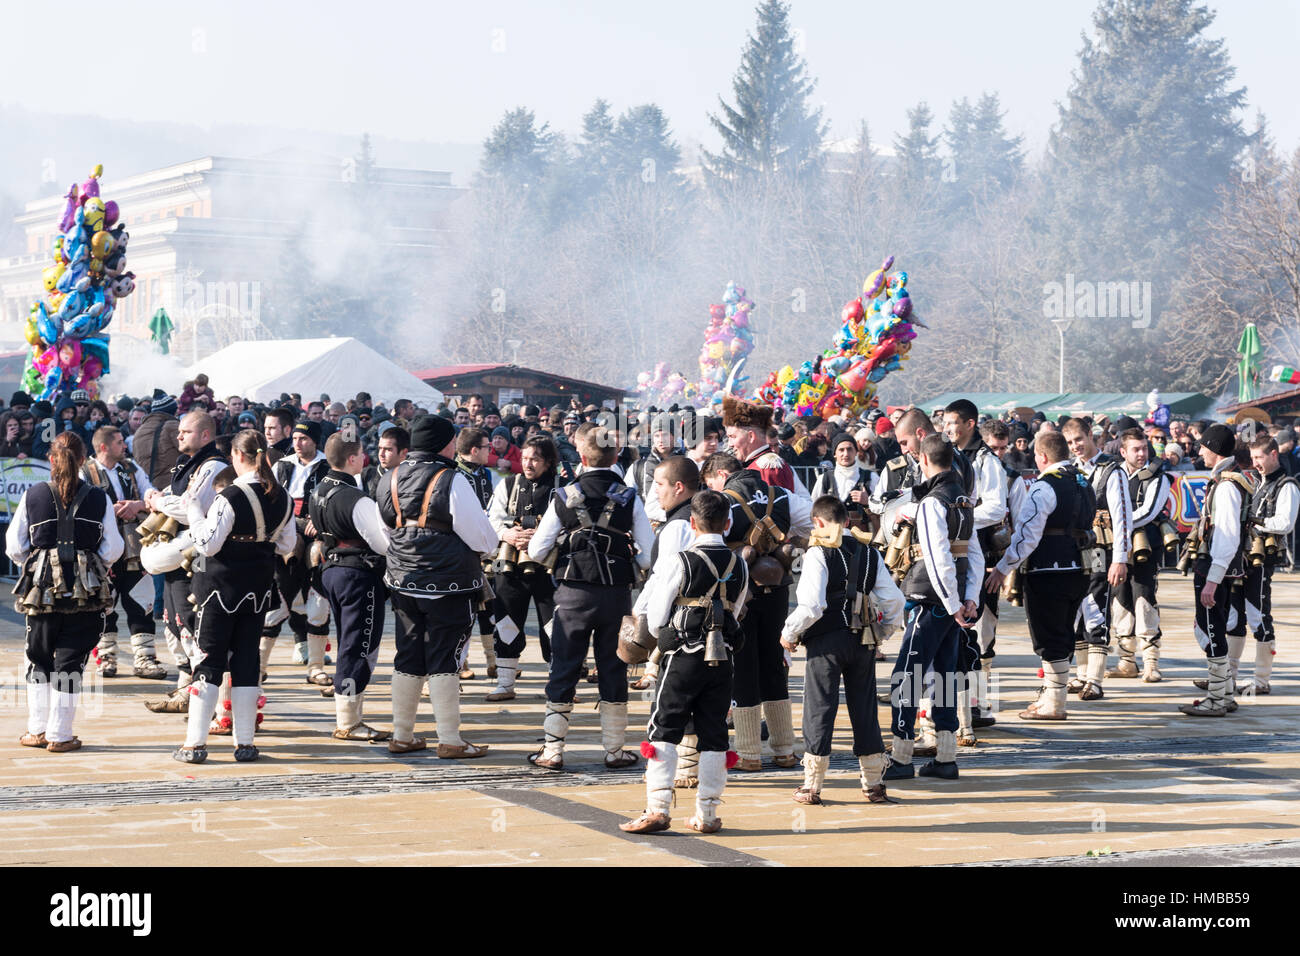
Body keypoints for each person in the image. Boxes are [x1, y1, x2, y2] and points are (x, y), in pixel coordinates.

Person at [620, 490, 749, 835]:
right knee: (714, 733)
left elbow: (659, 616)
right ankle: (707, 814)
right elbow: (735, 611)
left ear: (692, 522)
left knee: (664, 728)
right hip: (722, 657)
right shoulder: (741, 563)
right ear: (728, 524)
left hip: (682, 656)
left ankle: (658, 809)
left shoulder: (681, 560)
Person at [526, 425, 654, 770]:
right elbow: (647, 557)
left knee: (564, 667)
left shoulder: (563, 495)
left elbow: (537, 551)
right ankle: (614, 751)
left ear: (582, 457)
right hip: (615, 597)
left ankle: (552, 751)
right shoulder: (630, 497)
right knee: (614, 668)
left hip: (571, 595)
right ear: (615, 458)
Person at [377, 414, 498, 757]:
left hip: (402, 580)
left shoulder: (390, 476)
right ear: (445, 444)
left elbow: (386, 529)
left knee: (408, 654)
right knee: (446, 656)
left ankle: (402, 735)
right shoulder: (451, 479)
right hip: (449, 583)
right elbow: (483, 537)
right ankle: (450, 740)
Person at [174, 430, 296, 763]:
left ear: (237, 456)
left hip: (219, 590)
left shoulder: (229, 496)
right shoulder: (282, 496)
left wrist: (194, 511)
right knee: (246, 663)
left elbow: (207, 544)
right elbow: (286, 545)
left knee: (208, 662)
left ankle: (195, 744)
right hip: (257, 589)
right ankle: (245, 744)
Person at [781, 495, 904, 804]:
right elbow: (894, 603)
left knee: (820, 708)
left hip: (826, 641)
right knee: (865, 710)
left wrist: (789, 633)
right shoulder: (869, 553)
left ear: (817, 523)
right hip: (863, 640)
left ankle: (812, 786)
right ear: (848, 521)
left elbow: (812, 605)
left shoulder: (818, 552)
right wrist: (881, 633)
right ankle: (873, 784)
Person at [8, 432, 123, 752]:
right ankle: (60, 734)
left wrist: (38, 561)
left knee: (39, 657)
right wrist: (88, 560)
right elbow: (113, 548)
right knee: (71, 659)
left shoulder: (33, 495)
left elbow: (15, 547)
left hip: (41, 589)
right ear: (84, 459)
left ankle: (36, 730)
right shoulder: (100, 498)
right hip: (85, 590)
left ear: (51, 459)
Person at [701, 448, 812, 771]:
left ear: (721, 476)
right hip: (777, 589)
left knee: (744, 666)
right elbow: (811, 525)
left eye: (711, 484)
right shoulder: (783, 496)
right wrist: (785, 539)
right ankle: (784, 750)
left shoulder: (725, 501)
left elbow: (712, 543)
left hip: (739, 593)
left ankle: (749, 754)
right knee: (775, 665)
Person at [141, 411, 229, 714]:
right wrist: (154, 497)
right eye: (179, 431)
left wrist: (157, 502)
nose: (178, 436)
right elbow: (173, 495)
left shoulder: (214, 465)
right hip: (175, 555)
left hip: (196, 558)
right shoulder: (185, 464)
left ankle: (211, 702)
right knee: (172, 622)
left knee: (191, 623)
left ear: (205, 435)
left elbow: (192, 507)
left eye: (185, 432)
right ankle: (185, 691)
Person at [309, 433, 394, 741]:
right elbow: (383, 543)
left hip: (331, 570)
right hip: (356, 574)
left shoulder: (318, 489)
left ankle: (349, 716)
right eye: (361, 453)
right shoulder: (356, 499)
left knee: (348, 640)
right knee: (358, 647)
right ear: (353, 458)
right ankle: (348, 722)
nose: (365, 458)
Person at [83, 425, 165, 679]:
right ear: (104, 447)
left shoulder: (130, 467)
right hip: (102, 549)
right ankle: (106, 657)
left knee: (141, 601)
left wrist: (137, 504)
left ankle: (145, 658)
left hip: (134, 548)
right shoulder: (85, 472)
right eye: (119, 442)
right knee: (104, 603)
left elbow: (151, 492)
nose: (125, 445)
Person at [484, 436, 563, 702]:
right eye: (526, 458)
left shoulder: (560, 488)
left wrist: (543, 536)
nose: (528, 464)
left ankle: (557, 682)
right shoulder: (508, 483)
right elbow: (491, 518)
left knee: (553, 624)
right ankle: (505, 683)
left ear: (548, 462)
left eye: (535, 459)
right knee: (506, 619)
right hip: (509, 563)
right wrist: (508, 535)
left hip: (548, 565)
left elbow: (572, 523)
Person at [1180, 424, 1252, 716]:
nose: (1199, 451)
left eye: (1203, 447)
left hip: (1215, 568)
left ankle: (1216, 699)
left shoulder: (1225, 487)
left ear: (1214, 449)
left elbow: (1225, 537)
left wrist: (1211, 581)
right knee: (1215, 628)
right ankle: (1224, 693)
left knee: (1212, 630)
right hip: (1220, 569)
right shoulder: (1229, 479)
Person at [1219, 435, 1298, 695]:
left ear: (1274, 454)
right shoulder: (1258, 482)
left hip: (1262, 560)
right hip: (1244, 559)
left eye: (1260, 458)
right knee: (1234, 617)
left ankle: (1262, 680)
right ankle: (1227, 676)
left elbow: (1285, 522)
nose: (1255, 463)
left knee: (1258, 617)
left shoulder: (1287, 485)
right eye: (1252, 458)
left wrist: (1255, 523)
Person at [1062, 418, 1131, 701]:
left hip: (1101, 550)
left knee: (1096, 605)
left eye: (1079, 439)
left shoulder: (1112, 470)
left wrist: (1121, 558)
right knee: (1076, 608)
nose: (1076, 446)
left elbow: (1123, 516)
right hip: (1073, 549)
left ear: (1091, 435)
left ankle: (1096, 679)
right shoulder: (1069, 470)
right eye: (1069, 443)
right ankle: (1081, 675)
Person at [267, 420, 332, 685]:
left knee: (316, 584)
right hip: (288, 529)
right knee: (283, 584)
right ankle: (263, 663)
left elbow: (335, 498)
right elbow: (269, 497)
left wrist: (321, 521)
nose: (297, 443)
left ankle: (315, 661)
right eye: (294, 438)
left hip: (316, 530)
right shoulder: (282, 465)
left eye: (303, 438)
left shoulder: (327, 465)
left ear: (314, 441)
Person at [1108, 428, 1172, 683]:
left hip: (1146, 547)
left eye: (1144, 448)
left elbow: (1149, 511)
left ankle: (1150, 662)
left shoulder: (1158, 477)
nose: (1142, 453)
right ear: (1123, 451)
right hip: (1119, 546)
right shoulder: (1114, 473)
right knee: (1120, 600)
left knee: (1144, 599)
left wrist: (1117, 523)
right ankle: (1126, 661)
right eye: (1136, 449)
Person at [453, 426, 497, 679]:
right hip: (464, 549)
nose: (490, 451)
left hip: (484, 548)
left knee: (488, 607)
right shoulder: (454, 474)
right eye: (486, 447)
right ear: (474, 450)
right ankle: (462, 661)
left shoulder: (486, 475)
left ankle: (492, 661)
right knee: (466, 608)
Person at [812, 432, 877, 531]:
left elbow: (883, 509)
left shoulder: (871, 477)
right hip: (831, 538)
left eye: (850, 449)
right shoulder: (824, 479)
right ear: (834, 453)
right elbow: (814, 509)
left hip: (860, 540)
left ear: (856, 452)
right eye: (841, 450)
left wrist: (868, 501)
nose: (846, 454)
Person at [631, 414, 682, 523]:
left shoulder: (686, 464)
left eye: (665, 435)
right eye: (656, 436)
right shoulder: (639, 467)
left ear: (674, 436)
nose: (660, 440)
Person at [132, 392, 181, 490]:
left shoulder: (139, 431)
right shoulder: (172, 426)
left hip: (148, 488)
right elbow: (192, 451)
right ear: (172, 412)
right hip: (172, 485)